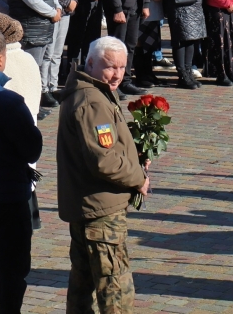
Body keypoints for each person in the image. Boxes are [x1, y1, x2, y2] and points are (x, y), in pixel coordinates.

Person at [57, 36, 148, 313]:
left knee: (83, 282)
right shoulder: (92, 101)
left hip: (90, 205)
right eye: (110, 67)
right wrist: (138, 177)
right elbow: (103, 160)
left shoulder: (93, 91)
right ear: (92, 63)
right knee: (114, 287)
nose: (117, 74)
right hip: (100, 209)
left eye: (122, 68)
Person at [0, 29, 43, 314]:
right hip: (6, 197)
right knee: (11, 268)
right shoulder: (8, 102)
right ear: (0, 60)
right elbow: (31, 149)